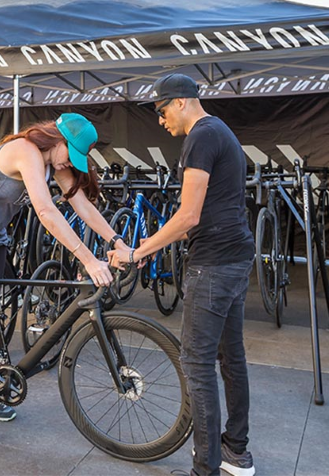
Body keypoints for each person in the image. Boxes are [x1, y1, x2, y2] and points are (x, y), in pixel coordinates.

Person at [0, 113, 125, 447]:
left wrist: (116, 241)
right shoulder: (25, 150)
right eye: (72, 154)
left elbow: (81, 204)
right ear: (58, 139)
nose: (71, 164)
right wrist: (87, 258)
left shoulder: (55, 160)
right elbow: (46, 211)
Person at [109, 74, 255, 476]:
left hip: (213, 263)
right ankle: (236, 452)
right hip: (235, 256)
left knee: (197, 363)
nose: (160, 121)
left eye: (160, 110)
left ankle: (204, 468)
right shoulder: (221, 131)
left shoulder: (201, 136)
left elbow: (189, 216)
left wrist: (139, 250)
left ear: (180, 102)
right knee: (230, 357)